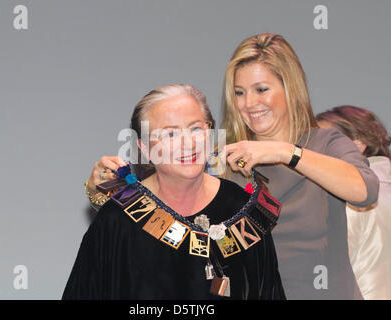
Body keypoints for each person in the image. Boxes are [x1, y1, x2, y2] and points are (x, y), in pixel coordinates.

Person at [86, 34, 379, 299]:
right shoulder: (223, 158)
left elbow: (364, 190)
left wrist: (284, 151)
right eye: (239, 92)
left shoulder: (326, 143)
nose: (249, 103)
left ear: (291, 88)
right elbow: (159, 208)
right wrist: (99, 190)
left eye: (261, 89)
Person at [63, 84, 286, 299]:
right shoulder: (117, 220)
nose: (188, 144)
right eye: (170, 134)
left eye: (196, 129)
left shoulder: (243, 210)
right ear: (144, 149)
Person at [316, 105, 391, 300]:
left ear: (358, 146)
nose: (313, 152)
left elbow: (325, 271)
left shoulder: (346, 198)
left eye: (326, 142)